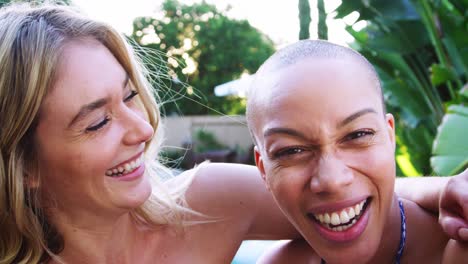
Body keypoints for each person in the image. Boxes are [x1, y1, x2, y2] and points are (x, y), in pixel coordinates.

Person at [0, 4, 465, 264]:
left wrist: (451, 187)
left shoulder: (207, 202)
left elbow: (338, 194)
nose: (142, 128)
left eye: (130, 96)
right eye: (97, 121)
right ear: (25, 167)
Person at [246, 39, 468, 263]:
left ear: (389, 137)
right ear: (263, 170)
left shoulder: (452, 249)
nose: (332, 180)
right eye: (291, 151)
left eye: (357, 135)